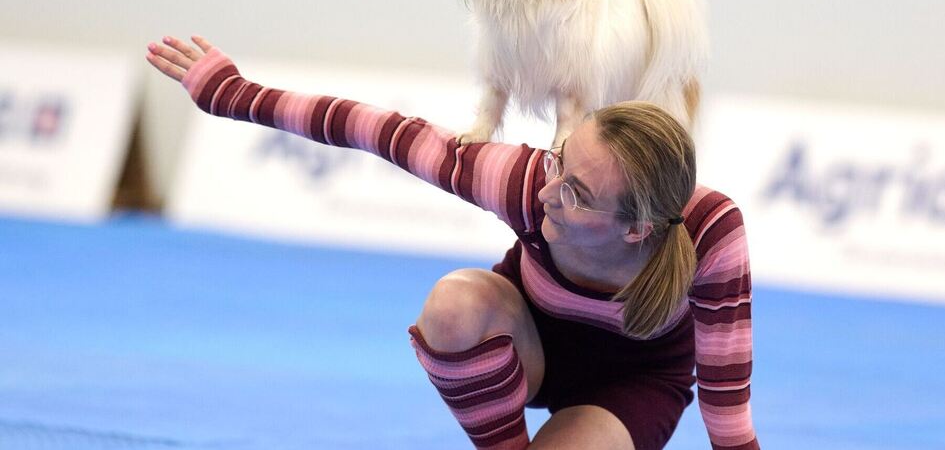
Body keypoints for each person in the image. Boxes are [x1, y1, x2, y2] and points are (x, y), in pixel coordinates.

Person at [146, 35, 760, 450]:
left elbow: (727, 402)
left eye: (575, 193)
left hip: (635, 384)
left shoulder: (711, 233)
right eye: (557, 162)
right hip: (527, 346)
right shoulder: (523, 181)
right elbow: (380, 130)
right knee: (453, 303)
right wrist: (235, 94)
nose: (548, 194)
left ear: (638, 228)